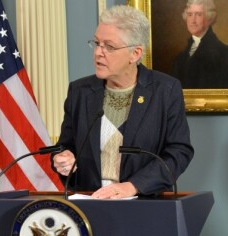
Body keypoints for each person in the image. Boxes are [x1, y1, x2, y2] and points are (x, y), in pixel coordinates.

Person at [51, 5, 194, 199]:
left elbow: (179, 152)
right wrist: (63, 159)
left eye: (109, 46)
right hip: (89, 203)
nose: (98, 53)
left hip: (144, 204)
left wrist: (134, 185)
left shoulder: (164, 91)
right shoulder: (80, 91)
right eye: (96, 43)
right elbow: (65, 146)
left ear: (135, 53)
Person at [171, 0, 228, 89]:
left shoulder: (226, 54)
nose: (193, 21)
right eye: (190, 14)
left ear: (209, 18)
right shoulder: (180, 58)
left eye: (198, 14)